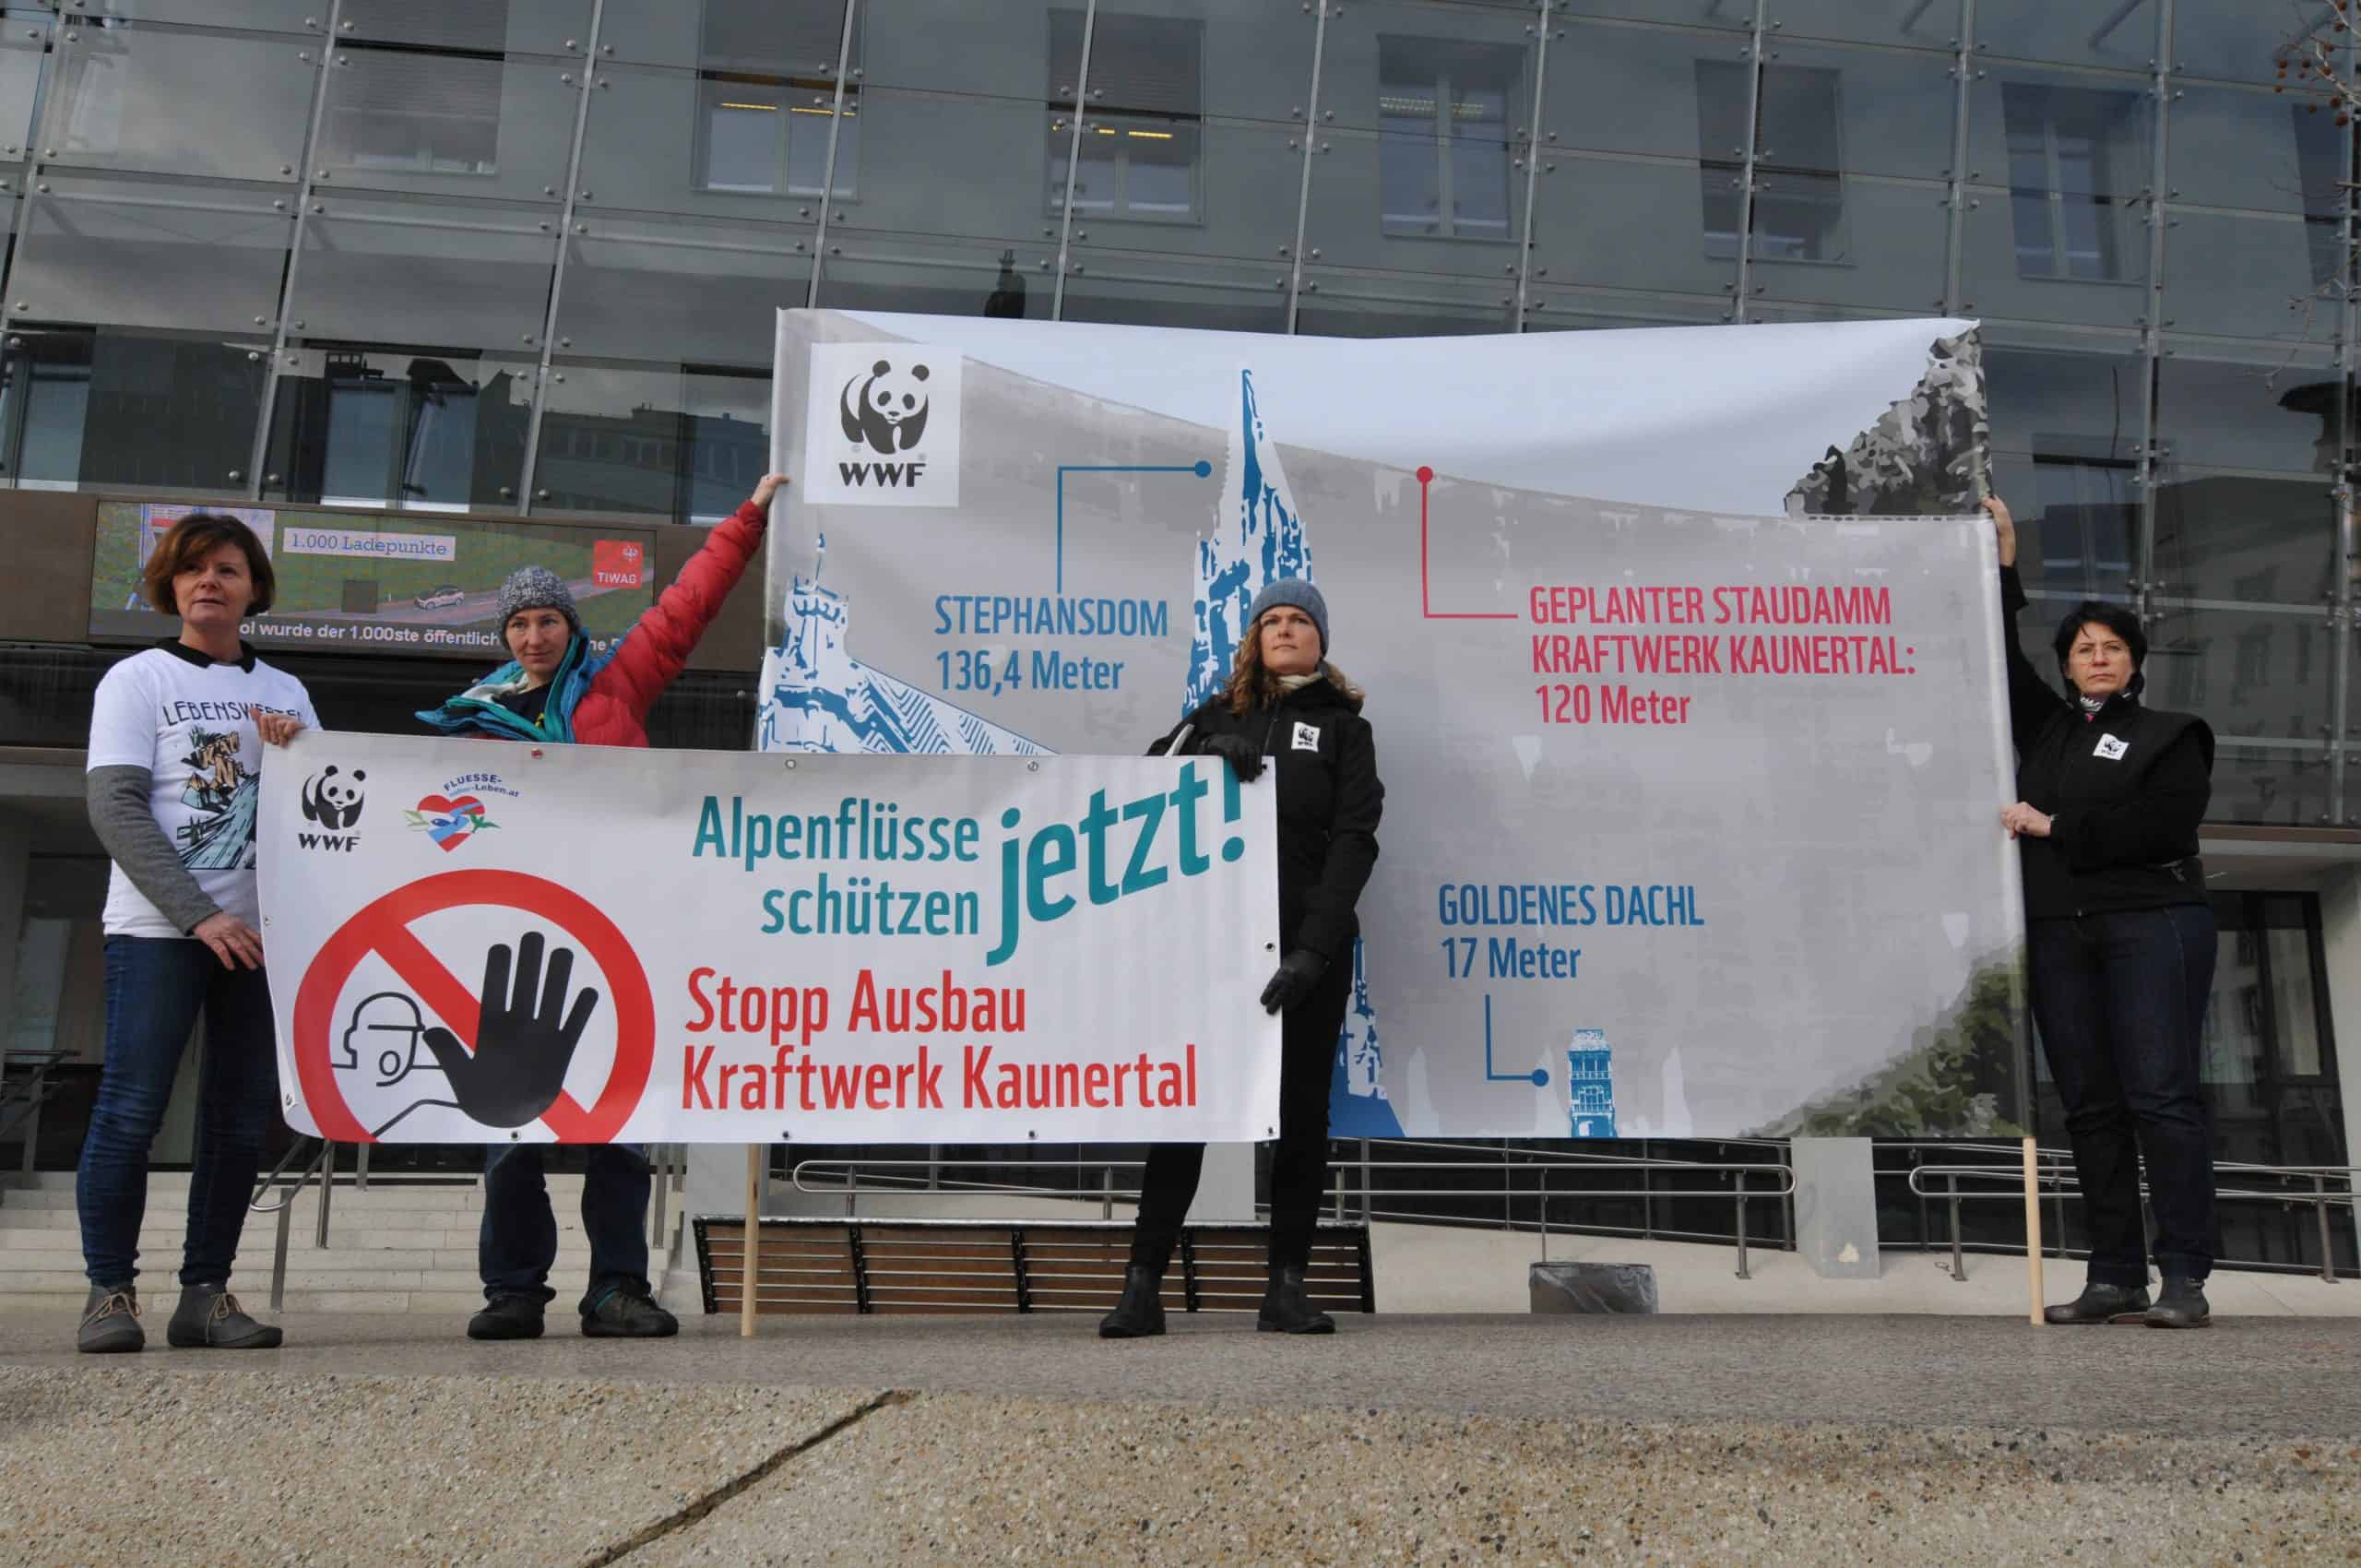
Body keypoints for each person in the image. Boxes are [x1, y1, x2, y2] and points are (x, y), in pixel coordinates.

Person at [418, 473, 789, 1341]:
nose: (536, 634)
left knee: (618, 1125)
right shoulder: (471, 723)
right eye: (519, 623)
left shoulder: (615, 690)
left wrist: (749, 518)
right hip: (513, 948)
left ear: (571, 627)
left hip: (619, 934)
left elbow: (687, 605)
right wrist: (291, 743)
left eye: (548, 619)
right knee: (510, 1127)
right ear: (504, 637)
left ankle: (617, 1289)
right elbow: (423, 824)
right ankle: (512, 1290)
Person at [1099, 579, 1383, 1338]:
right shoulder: (1216, 715)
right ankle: (1141, 1288)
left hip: (1304, 954)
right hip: (1212, 947)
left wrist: (1313, 951)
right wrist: (1199, 755)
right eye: (1273, 621)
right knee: (1186, 1107)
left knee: (1301, 1120)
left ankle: (1285, 1289)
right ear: (1254, 640)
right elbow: (1142, 784)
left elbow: (1355, 842)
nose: (1286, 630)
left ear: (1321, 641)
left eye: (1300, 621)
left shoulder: (1345, 731)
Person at [79, 513, 315, 1353]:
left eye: (228, 569)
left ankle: (204, 1297)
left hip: (261, 940)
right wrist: (199, 913)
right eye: (193, 570)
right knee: (131, 1110)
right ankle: (109, 1294)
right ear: (171, 585)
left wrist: (294, 757)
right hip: (157, 931)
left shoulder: (287, 693)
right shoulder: (136, 679)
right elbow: (114, 806)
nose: (209, 581)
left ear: (254, 588)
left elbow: (318, 816)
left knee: (237, 1120)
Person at [1987, 496, 2220, 1329]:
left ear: (2135, 661)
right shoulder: (2048, 732)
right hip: (2061, 932)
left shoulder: (2172, 732)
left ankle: (2184, 1276)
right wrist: (2006, 567)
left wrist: (2054, 826)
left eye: (2112, 647)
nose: (2097, 657)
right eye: (2084, 649)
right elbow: (2003, 663)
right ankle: (2114, 1274)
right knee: (2089, 1106)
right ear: (2069, 663)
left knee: (2162, 1097)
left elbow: (2165, 826)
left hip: (2153, 921)